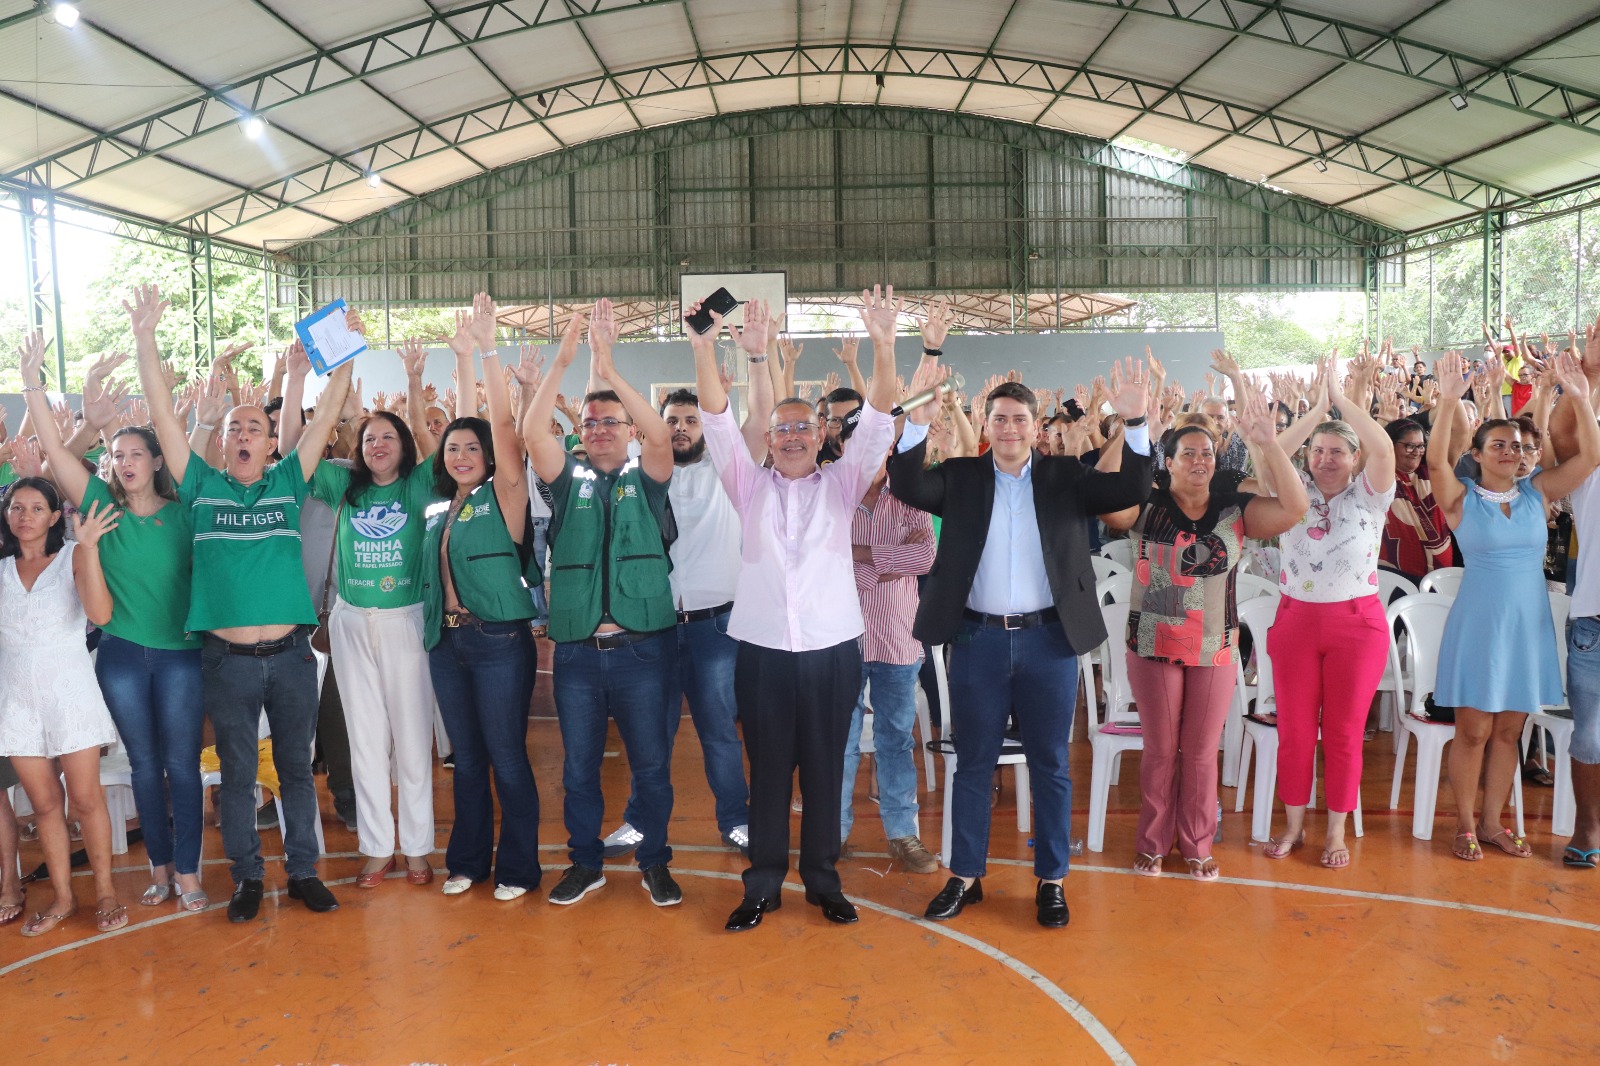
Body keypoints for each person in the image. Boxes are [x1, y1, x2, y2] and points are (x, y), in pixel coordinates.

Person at [891, 356, 1154, 927]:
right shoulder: (960, 478)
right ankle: (966, 875)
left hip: (1049, 643)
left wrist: (1134, 423)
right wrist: (916, 423)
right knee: (972, 765)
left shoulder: (1066, 478)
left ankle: (1052, 880)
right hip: (977, 640)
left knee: (1052, 765)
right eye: (999, 418)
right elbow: (907, 484)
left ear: (1036, 427)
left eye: (1019, 419)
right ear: (986, 426)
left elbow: (1132, 486)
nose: (1009, 428)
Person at [129, 284, 353, 923]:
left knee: (294, 770)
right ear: (224, 442)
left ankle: (304, 870)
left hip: (289, 658)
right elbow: (162, 413)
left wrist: (343, 349)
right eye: (236, 427)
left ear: (269, 441)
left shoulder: (288, 482)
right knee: (235, 773)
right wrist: (146, 338)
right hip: (225, 661)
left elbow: (329, 408)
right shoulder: (199, 487)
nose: (247, 433)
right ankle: (249, 879)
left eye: (256, 425)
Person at [693, 290, 900, 932]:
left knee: (824, 767)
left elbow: (882, 412)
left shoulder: (844, 483)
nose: (789, 437)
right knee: (771, 771)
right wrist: (707, 346)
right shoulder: (745, 484)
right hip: (760, 651)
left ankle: (822, 882)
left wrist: (886, 346)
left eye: (802, 428)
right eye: (780, 429)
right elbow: (717, 418)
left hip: (832, 648)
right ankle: (762, 885)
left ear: (822, 436)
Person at [17, 338, 208, 912]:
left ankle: (191, 873)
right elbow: (52, 447)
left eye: (135, 454)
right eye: (116, 455)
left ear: (155, 461)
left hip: (180, 655)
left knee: (182, 764)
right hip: (122, 657)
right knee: (146, 764)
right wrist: (33, 379)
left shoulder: (187, 511)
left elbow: (189, 446)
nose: (124, 463)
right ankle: (160, 867)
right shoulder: (100, 507)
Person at [1105, 386, 1306, 881]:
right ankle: (1152, 842)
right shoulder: (1146, 505)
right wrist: (1131, 427)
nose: (1199, 459)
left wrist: (1270, 442)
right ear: (1167, 462)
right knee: (1159, 750)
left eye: (1207, 453)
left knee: (1198, 752)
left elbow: (1295, 507)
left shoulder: (1234, 510)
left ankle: (1196, 844)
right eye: (1187, 452)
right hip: (1152, 643)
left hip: (1216, 645)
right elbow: (1109, 505)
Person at [524, 297, 682, 909]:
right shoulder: (568, 482)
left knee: (652, 769)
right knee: (578, 770)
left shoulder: (650, 476)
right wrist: (565, 361)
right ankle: (585, 863)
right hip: (580, 655)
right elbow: (533, 432)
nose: (599, 431)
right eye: (590, 424)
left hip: (644, 650)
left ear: (629, 431)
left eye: (611, 422)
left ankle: (655, 863)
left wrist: (609, 368)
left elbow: (663, 434)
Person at [281, 337, 440, 889]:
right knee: (365, 741)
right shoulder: (341, 484)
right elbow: (293, 448)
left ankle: (417, 849)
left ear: (402, 448)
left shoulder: (419, 486)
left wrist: (415, 384)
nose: (378, 445)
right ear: (358, 444)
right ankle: (378, 848)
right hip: (351, 624)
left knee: (412, 740)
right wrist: (335, 370)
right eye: (370, 438)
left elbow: (430, 441)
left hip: (405, 622)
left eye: (387, 438)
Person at [1429, 350, 1600, 861]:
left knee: (1508, 732)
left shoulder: (1537, 493)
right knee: (1474, 729)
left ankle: (1492, 824)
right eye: (1499, 444)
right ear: (1478, 454)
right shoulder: (1460, 500)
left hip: (1526, 628)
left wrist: (1583, 399)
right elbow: (1437, 459)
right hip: (1480, 625)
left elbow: (1590, 458)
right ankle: (1462, 824)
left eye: (1521, 444)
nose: (1512, 451)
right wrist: (1446, 401)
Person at [422, 294, 542, 900]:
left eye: (473, 448)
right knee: (466, 761)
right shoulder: (442, 506)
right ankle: (468, 860)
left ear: (491, 458)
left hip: (498, 641)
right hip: (446, 643)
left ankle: (519, 867)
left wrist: (488, 353)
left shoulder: (507, 494)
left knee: (506, 757)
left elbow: (497, 426)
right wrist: (460, 364)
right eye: (452, 448)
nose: (462, 454)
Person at [601, 386, 751, 858]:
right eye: (671, 420)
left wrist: (759, 358)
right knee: (650, 734)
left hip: (715, 629)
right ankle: (640, 823)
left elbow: (758, 418)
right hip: (653, 626)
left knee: (720, 730)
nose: (680, 428)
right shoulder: (639, 477)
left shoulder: (730, 472)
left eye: (691, 420)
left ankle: (737, 820)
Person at [1264, 359, 1397, 869]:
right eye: (1318, 450)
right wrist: (1315, 411)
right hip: (1296, 622)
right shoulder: (1292, 491)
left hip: (1356, 626)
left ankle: (1336, 831)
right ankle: (1295, 825)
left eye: (1336, 451)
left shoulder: (1371, 494)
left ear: (1354, 456)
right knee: (1295, 730)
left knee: (1342, 732)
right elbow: (1268, 451)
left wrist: (1342, 401)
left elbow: (1383, 447)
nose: (1324, 459)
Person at [0, 471, 125, 935]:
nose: (24, 516)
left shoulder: (73, 555)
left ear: (55, 516)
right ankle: (63, 898)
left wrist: (89, 548)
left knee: (86, 801)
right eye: (16, 507)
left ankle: (107, 892)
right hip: (15, 700)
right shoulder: (1, 568)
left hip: (69, 693)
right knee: (45, 804)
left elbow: (101, 614)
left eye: (36, 508)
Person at [1380, 418, 1455, 584]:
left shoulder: (1433, 473)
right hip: (1395, 575)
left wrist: (1450, 400)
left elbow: (1461, 433)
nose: (1416, 452)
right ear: (1391, 445)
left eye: (1421, 446)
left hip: (1441, 574)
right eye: (1409, 446)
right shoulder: (1380, 477)